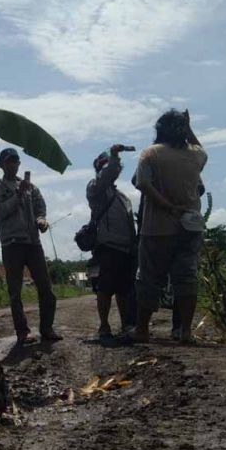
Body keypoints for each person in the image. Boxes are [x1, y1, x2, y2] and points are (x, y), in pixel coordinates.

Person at [132, 109, 208, 344]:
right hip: (190, 228)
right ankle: (185, 331)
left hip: (157, 228)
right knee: (186, 279)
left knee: (149, 278)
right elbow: (200, 147)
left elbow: (142, 184)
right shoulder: (195, 155)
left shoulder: (150, 154)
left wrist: (167, 206)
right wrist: (189, 127)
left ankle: (142, 330)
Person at [0, 148, 62, 347]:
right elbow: (0, 211)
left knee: (46, 288)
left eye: (15, 161)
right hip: (11, 244)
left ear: (19, 164)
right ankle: (23, 332)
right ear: (1, 165)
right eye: (8, 161)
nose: (12, 164)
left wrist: (41, 220)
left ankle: (47, 329)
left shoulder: (31, 187)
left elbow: (41, 209)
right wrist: (18, 196)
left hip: (33, 243)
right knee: (15, 291)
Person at [86, 145, 138, 341]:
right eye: (109, 167)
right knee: (106, 288)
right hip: (107, 247)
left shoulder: (122, 197)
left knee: (123, 290)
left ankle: (125, 325)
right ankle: (104, 326)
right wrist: (114, 156)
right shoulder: (95, 189)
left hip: (125, 249)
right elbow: (106, 176)